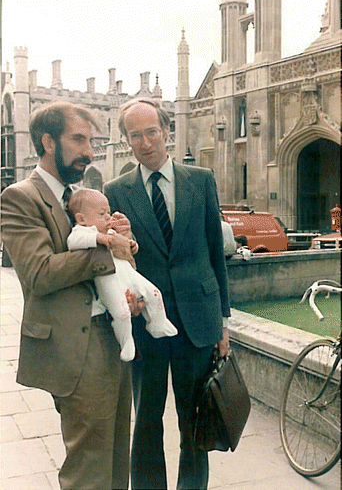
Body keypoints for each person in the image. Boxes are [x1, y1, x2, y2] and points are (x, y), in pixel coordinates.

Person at [0, 101, 143, 490]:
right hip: (74, 349)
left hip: (109, 339)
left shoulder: (79, 198)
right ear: (48, 141)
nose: (89, 151)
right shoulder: (20, 197)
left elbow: (102, 268)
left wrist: (124, 248)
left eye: (92, 141)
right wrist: (106, 252)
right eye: (78, 139)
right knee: (88, 470)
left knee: (115, 459)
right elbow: (39, 273)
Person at [104, 98, 230, 490]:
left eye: (152, 132)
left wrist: (223, 324)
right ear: (127, 141)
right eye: (135, 135)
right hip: (147, 326)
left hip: (198, 322)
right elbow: (116, 260)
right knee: (146, 420)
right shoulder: (115, 190)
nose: (145, 143)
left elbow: (215, 255)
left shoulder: (202, 180)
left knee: (195, 419)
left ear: (167, 132)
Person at [67, 188, 178, 361]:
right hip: (109, 279)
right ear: (82, 219)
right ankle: (126, 342)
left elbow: (125, 245)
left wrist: (131, 245)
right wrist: (97, 238)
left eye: (109, 212)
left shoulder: (109, 231)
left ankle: (158, 322)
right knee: (121, 312)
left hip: (127, 273)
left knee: (154, 292)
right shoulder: (83, 231)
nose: (107, 217)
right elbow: (72, 242)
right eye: (101, 213)